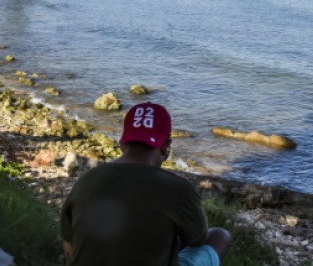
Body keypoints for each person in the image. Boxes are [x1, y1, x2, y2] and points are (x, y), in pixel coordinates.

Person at [60, 102, 230, 266]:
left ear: (122, 143)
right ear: (165, 147)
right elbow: (198, 239)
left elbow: (69, 248)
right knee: (220, 236)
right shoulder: (180, 189)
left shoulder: (87, 179)